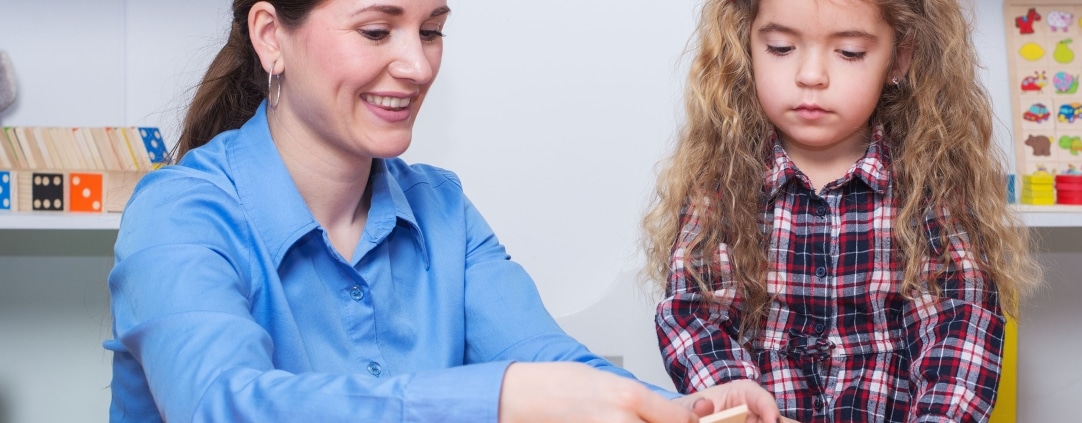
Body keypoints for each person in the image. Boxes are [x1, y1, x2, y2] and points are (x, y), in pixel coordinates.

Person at [103, 0, 783, 421]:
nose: (417, 65)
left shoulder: (442, 210)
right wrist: (501, 399)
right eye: (377, 30)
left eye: (430, 30)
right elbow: (222, 405)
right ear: (270, 35)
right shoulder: (177, 217)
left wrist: (686, 410)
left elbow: (546, 358)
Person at [643, 0, 1043, 421]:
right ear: (746, 47)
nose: (810, 76)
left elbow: (960, 327)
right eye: (781, 48)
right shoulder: (720, 184)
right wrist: (737, 399)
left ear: (898, 59)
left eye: (849, 52)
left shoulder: (931, 187)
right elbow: (694, 314)